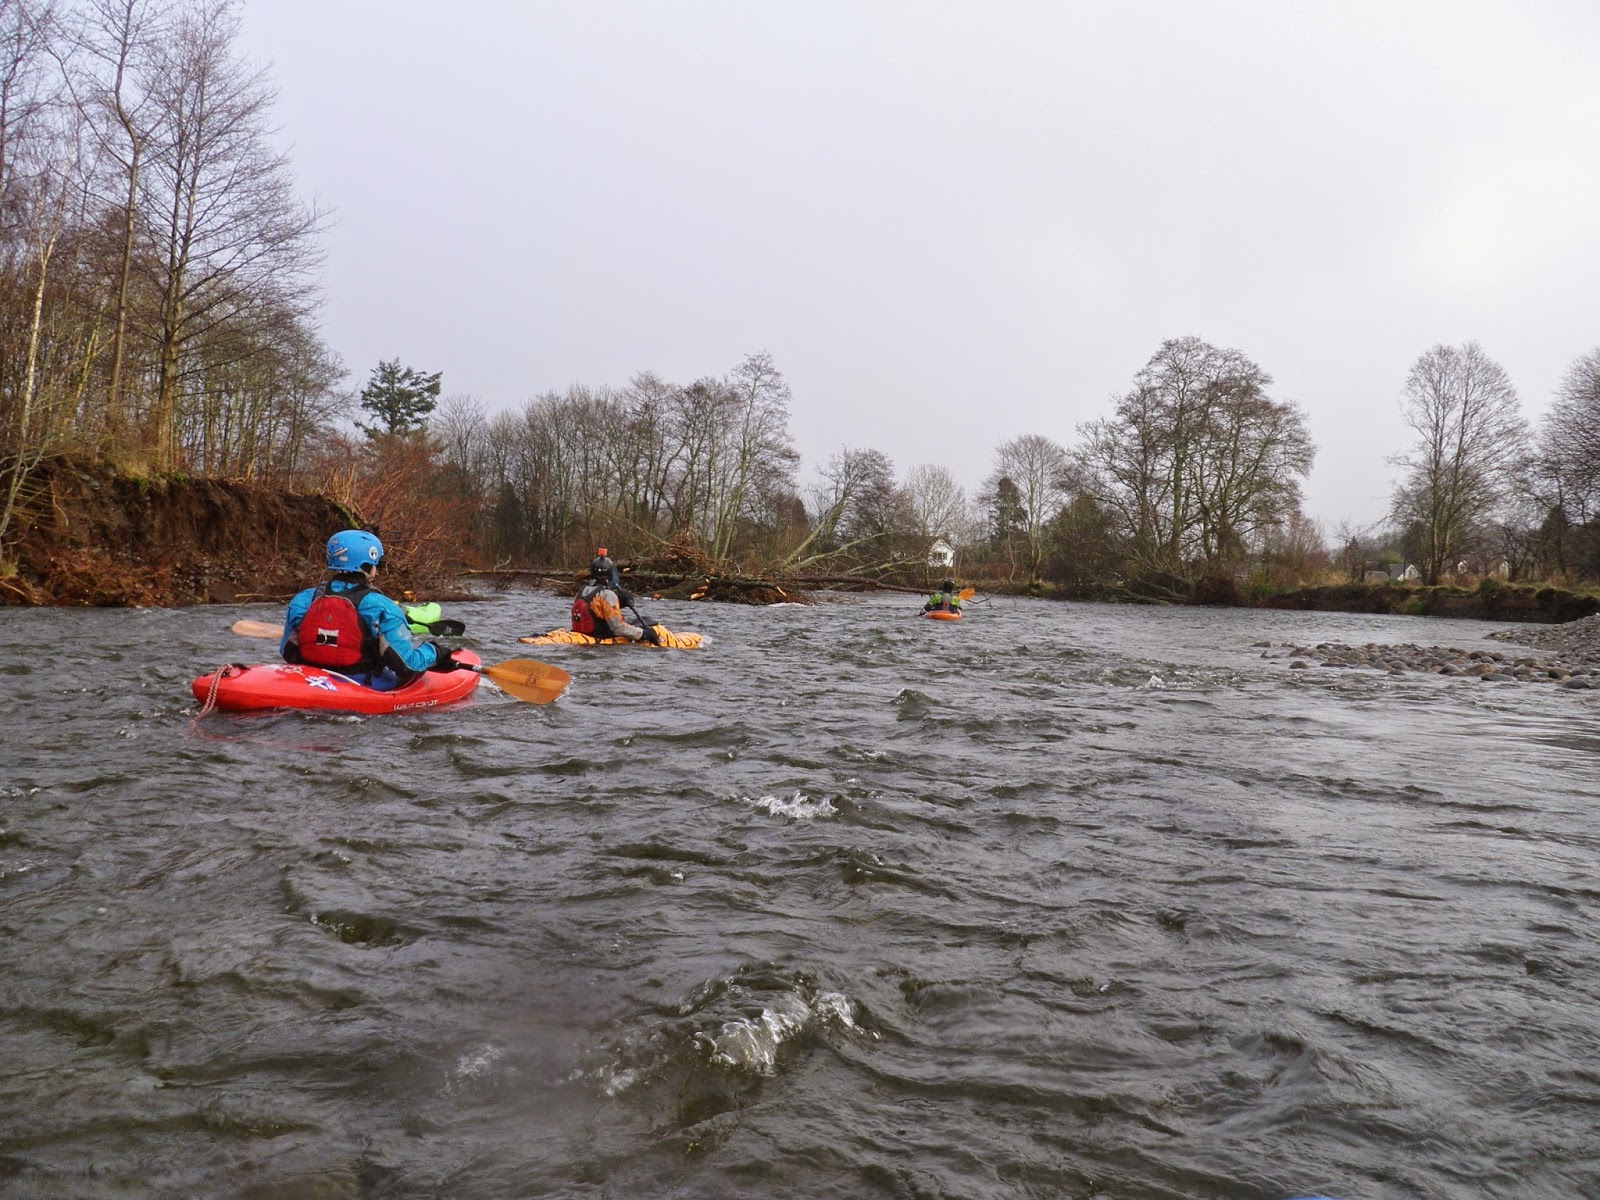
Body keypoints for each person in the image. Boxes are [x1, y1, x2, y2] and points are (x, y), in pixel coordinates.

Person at [281, 530, 466, 689]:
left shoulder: (303, 599)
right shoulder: (382, 606)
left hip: (311, 679)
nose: (376, 571)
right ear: (366, 565)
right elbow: (406, 666)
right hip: (361, 684)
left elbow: (288, 652)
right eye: (375, 564)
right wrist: (436, 652)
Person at [571, 549, 661, 644]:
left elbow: (596, 608)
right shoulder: (607, 594)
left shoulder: (582, 590)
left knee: (638, 621)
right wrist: (643, 634)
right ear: (610, 574)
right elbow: (618, 628)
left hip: (584, 632)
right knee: (646, 621)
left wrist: (619, 602)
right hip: (600, 636)